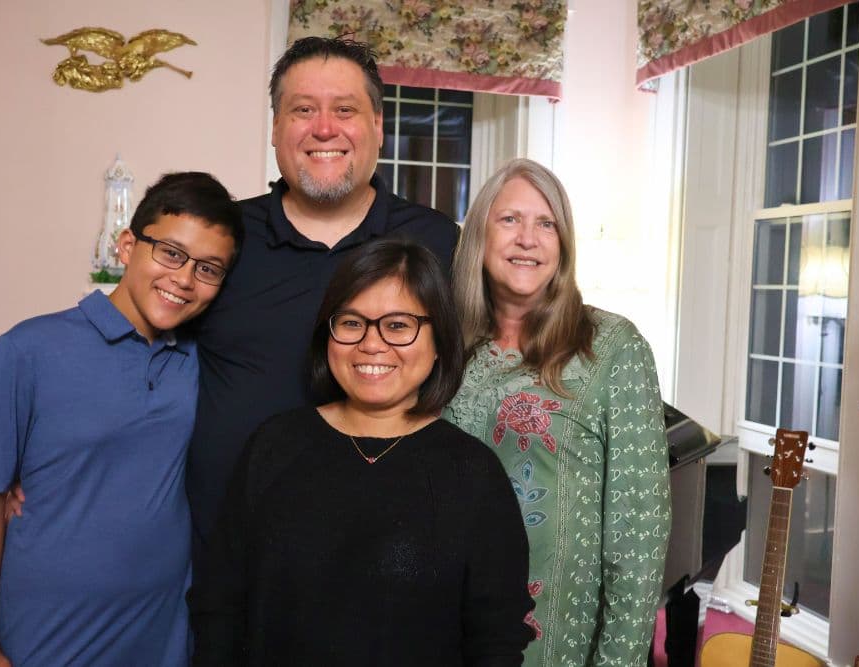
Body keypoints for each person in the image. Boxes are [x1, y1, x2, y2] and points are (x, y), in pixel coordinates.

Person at [191, 238, 534, 666]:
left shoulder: (473, 474)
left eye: (398, 325)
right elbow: (220, 608)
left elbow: (497, 641)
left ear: (439, 341)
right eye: (352, 323)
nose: (372, 344)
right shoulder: (273, 447)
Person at [188, 36, 459, 568]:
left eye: (345, 110)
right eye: (303, 110)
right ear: (274, 129)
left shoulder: (436, 243)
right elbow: (143, 350)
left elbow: (498, 360)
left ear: (378, 126)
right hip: (230, 566)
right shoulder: (224, 238)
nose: (324, 128)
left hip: (386, 562)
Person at [0, 172, 243, 667]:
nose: (184, 279)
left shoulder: (203, 361)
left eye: (209, 268)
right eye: (170, 253)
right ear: (126, 245)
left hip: (163, 632)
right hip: (50, 630)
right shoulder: (29, 349)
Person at [442, 159, 671, 666]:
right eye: (510, 220)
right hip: (447, 630)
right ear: (479, 234)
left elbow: (639, 533)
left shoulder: (612, 346)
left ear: (563, 244)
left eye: (546, 224)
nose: (528, 238)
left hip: (552, 642)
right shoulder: (444, 344)